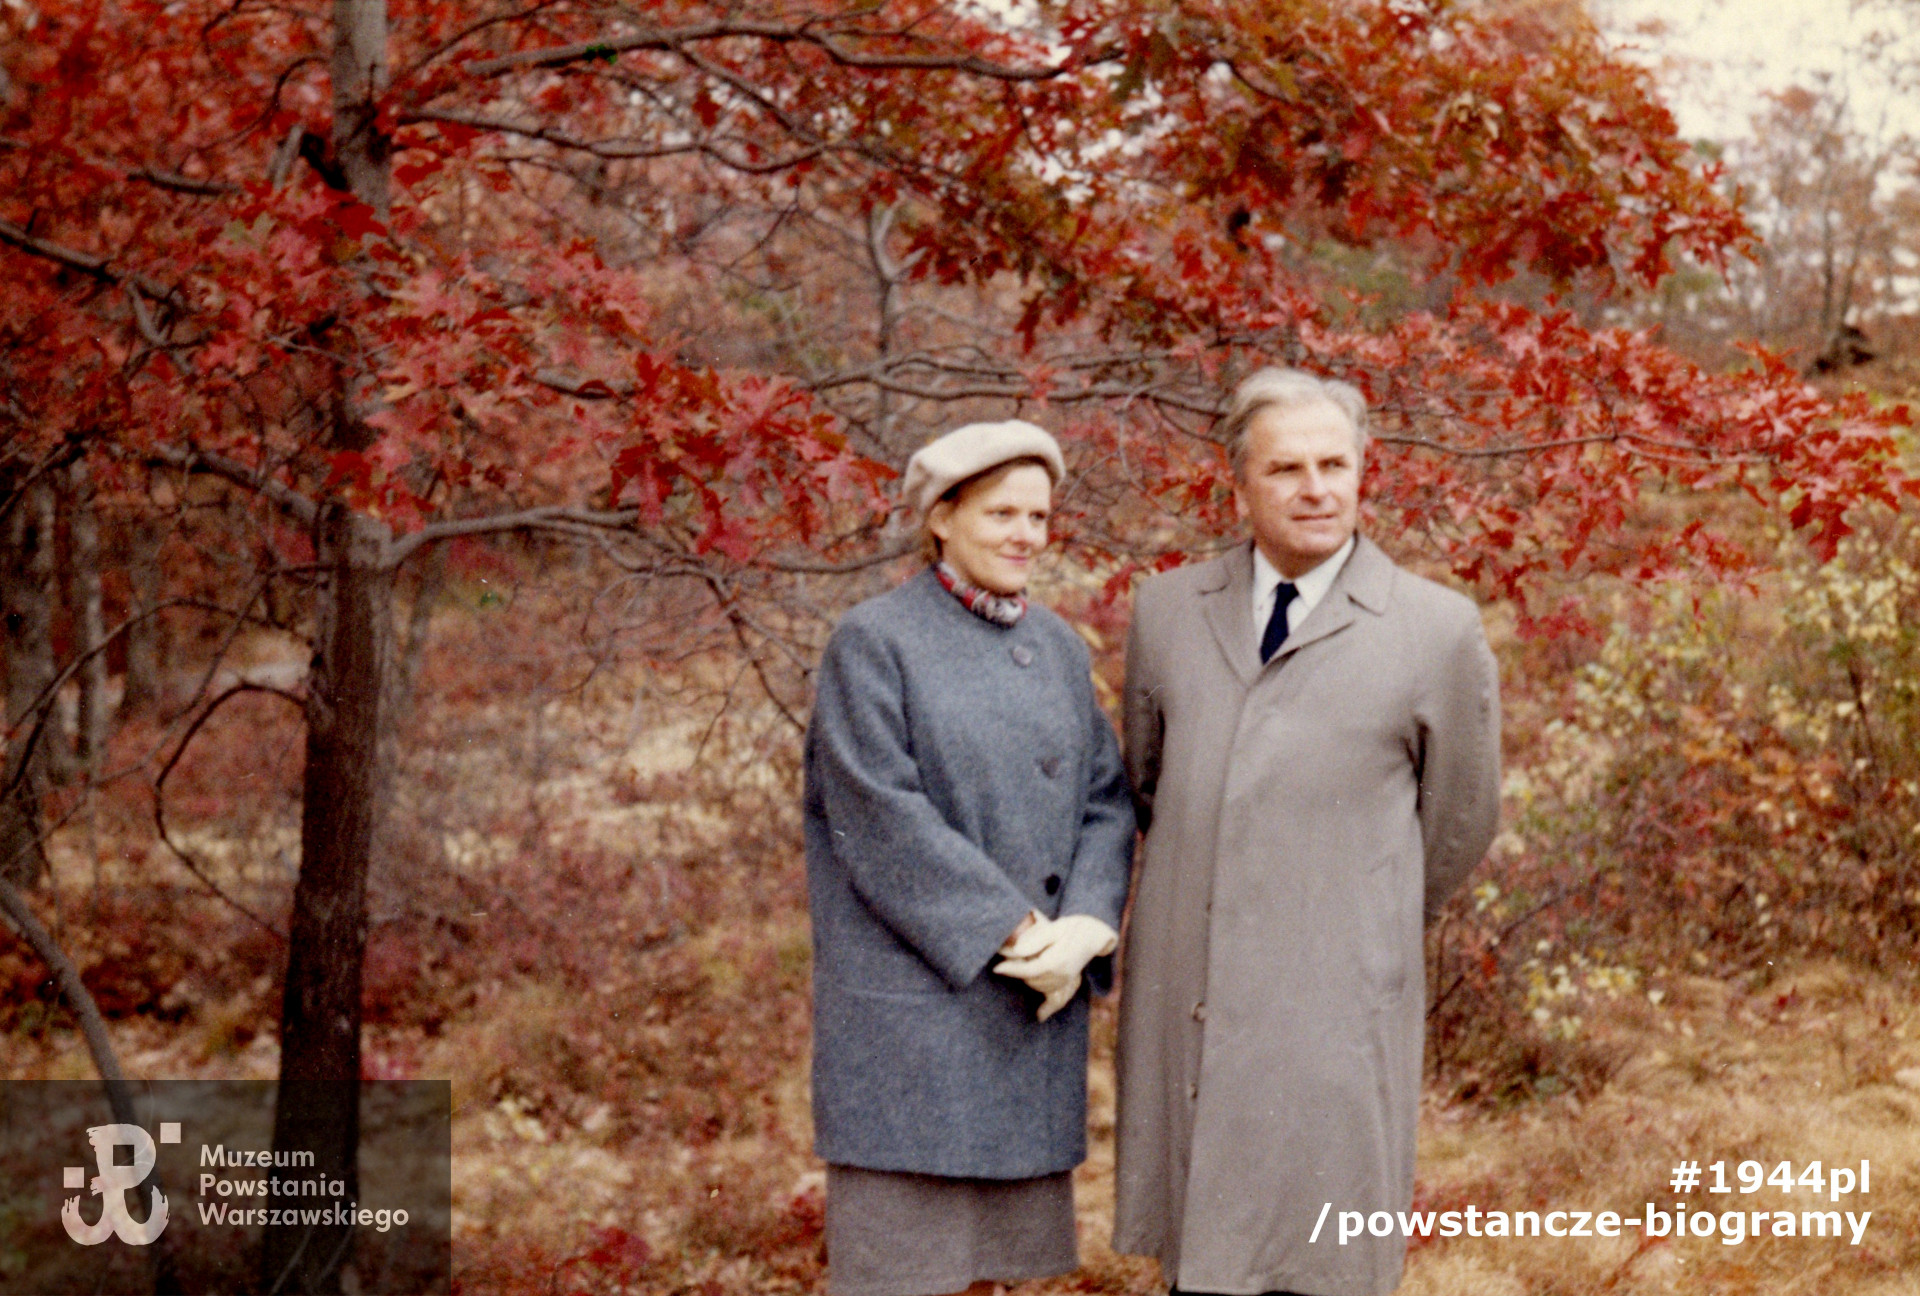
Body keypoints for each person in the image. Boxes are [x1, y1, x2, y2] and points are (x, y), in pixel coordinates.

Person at [1113, 368, 1501, 1296]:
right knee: (1203, 1254)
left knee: (1325, 1252)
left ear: (1366, 472)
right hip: (1193, 988)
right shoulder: (1166, 612)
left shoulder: (1435, 629)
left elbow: (1460, 818)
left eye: (1336, 464)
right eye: (1287, 468)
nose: (1316, 488)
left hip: (1337, 996)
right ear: (1238, 482)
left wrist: (1354, 909)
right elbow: (1150, 781)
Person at [804, 419, 1137, 1296]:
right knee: (901, 1278)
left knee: (997, 1279)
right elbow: (878, 813)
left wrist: (1089, 928)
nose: (1026, 534)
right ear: (941, 517)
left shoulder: (1061, 649)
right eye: (1001, 514)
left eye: (1039, 516)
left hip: (1026, 1020)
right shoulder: (874, 641)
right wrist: (1018, 934)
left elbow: (1106, 799)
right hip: (916, 1022)